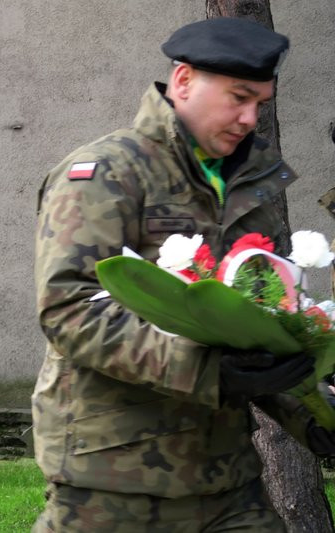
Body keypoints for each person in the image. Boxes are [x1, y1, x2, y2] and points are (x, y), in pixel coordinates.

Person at [33, 17, 335, 532]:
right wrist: (204, 369)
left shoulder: (250, 186)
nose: (249, 117)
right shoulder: (107, 172)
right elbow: (69, 308)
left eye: (260, 102)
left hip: (227, 478)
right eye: (238, 97)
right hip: (113, 482)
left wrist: (315, 414)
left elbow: (264, 330)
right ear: (184, 81)